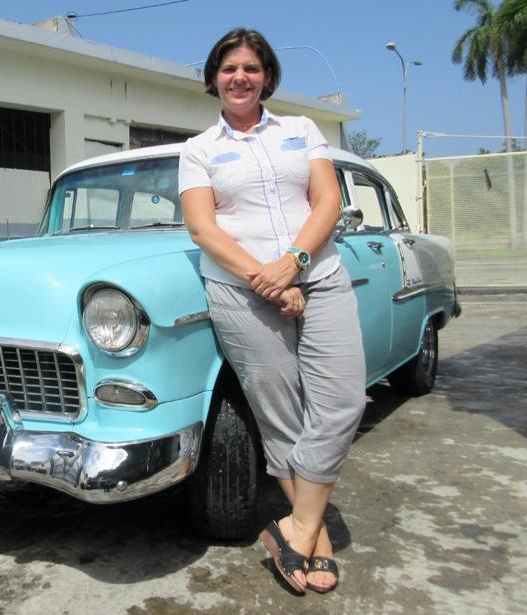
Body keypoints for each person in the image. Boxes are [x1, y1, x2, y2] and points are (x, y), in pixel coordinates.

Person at [178, 27, 366, 594]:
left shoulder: (302, 130)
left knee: (342, 402)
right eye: (229, 68)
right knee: (280, 412)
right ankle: (319, 541)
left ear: (267, 77)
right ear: (214, 77)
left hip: (322, 277)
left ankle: (297, 524)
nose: (240, 77)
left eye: (251, 69)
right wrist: (269, 281)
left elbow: (328, 200)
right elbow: (203, 227)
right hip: (240, 291)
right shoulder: (199, 149)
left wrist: (294, 263)